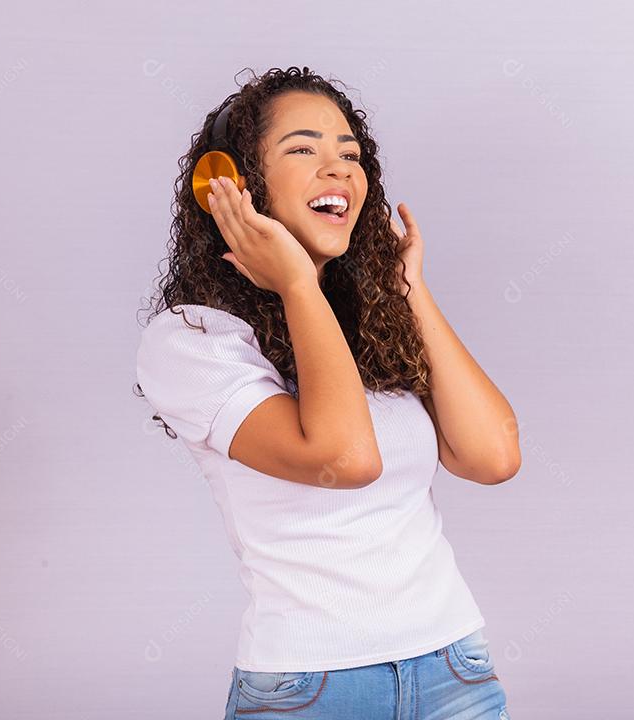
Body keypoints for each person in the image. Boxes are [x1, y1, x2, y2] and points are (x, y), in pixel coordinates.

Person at [133, 66, 520, 719]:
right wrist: (297, 286)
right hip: (313, 689)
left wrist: (406, 288)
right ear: (232, 182)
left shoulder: (368, 323)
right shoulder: (190, 339)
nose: (339, 169)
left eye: (350, 154)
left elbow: (492, 457)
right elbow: (345, 459)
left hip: (453, 667)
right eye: (304, 149)